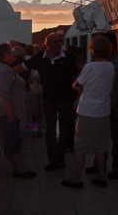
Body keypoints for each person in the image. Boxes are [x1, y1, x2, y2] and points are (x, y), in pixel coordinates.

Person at [62, 36, 114, 189]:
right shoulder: (110, 66)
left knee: (80, 146)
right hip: (104, 111)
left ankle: (77, 179)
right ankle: (102, 176)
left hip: (87, 110)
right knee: (101, 145)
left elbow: (76, 86)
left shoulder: (90, 67)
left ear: (93, 50)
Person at [24, 33, 79, 171]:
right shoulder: (40, 58)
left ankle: (60, 159)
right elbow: (21, 68)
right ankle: (53, 160)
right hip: (48, 100)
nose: (59, 44)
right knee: (50, 130)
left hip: (66, 99)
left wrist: (76, 94)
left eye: (60, 41)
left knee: (65, 129)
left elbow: (78, 75)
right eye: (56, 41)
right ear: (47, 44)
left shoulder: (69, 59)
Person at [86, 31, 118, 179]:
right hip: (100, 107)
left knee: (117, 137)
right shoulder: (98, 61)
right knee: (99, 137)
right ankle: (98, 165)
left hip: (114, 106)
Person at [0, 43, 36, 179]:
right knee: (12, 142)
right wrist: (10, 112)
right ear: (5, 54)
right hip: (10, 113)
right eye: (10, 51)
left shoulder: (2, 68)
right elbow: (3, 93)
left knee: (15, 141)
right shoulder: (4, 70)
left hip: (13, 112)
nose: (13, 54)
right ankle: (19, 170)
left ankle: (20, 168)